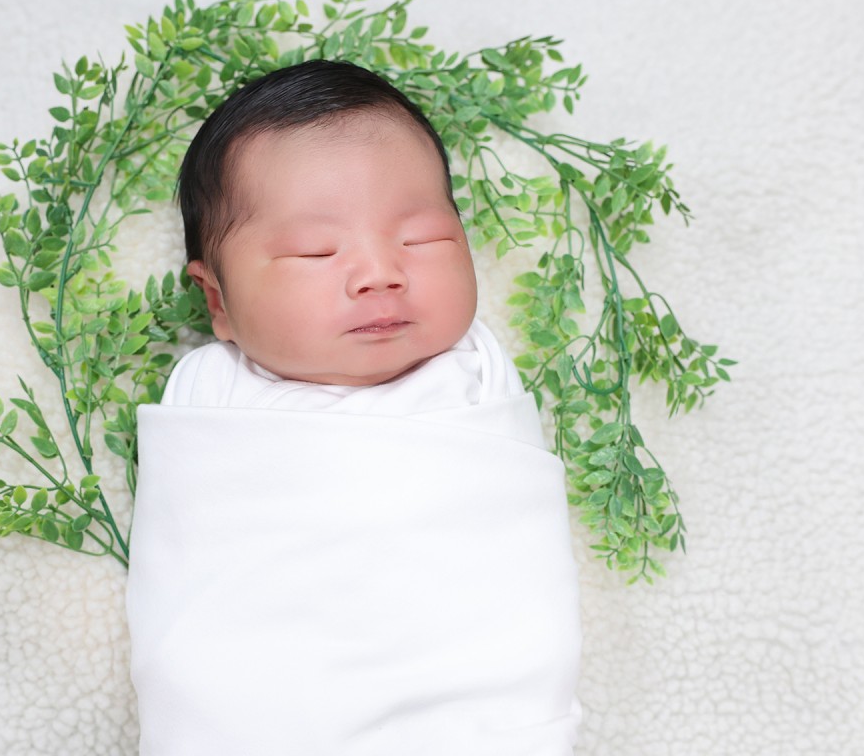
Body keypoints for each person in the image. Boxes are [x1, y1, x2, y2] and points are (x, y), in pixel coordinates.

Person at [126, 59, 582, 755]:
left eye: (422, 239)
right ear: (217, 300)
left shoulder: (476, 376)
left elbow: (510, 573)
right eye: (315, 252)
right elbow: (195, 596)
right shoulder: (208, 396)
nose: (380, 273)